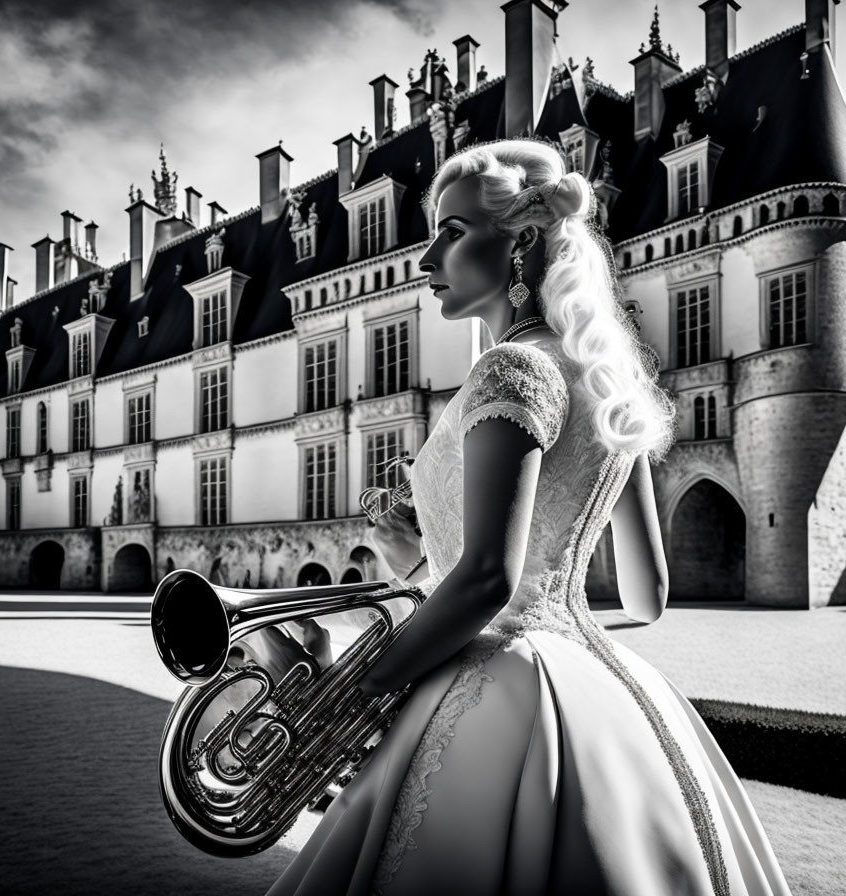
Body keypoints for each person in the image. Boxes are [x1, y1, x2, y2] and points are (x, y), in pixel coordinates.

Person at [267, 139, 792, 896]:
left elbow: (486, 581)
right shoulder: (609, 389)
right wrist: (426, 566)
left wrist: (346, 692)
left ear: (519, 242)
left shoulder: (509, 368)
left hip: (497, 699)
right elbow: (648, 599)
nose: (424, 261)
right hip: (618, 699)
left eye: (450, 232)